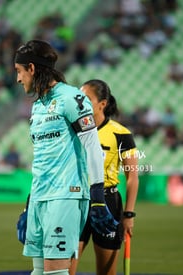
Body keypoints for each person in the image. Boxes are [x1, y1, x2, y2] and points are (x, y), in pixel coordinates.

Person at [14, 40, 118, 275]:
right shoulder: (38, 105)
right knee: (39, 273)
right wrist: (28, 206)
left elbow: (93, 146)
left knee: (55, 273)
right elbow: (42, 157)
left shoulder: (72, 97)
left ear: (31, 68)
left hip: (65, 196)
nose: (18, 79)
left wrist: (98, 197)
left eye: (19, 72)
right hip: (41, 197)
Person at [69, 79, 139, 275]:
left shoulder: (121, 134)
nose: (80, 103)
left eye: (87, 99)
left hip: (108, 204)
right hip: (76, 201)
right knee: (64, 271)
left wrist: (129, 214)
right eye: (79, 98)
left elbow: (132, 177)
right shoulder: (72, 130)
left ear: (103, 104)